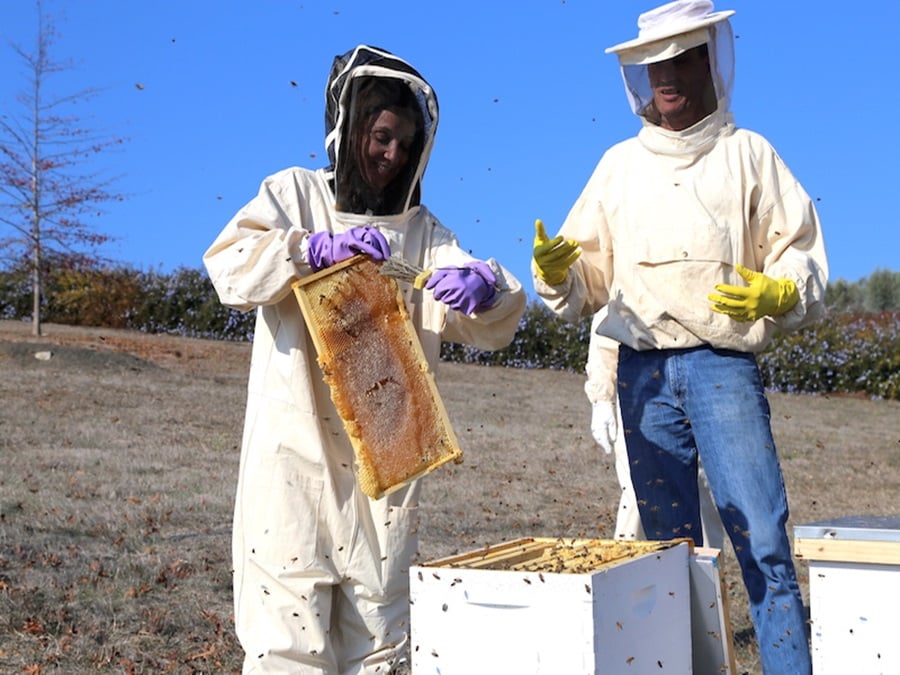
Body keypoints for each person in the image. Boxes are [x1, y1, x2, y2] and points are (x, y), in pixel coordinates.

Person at [204, 45, 526, 674]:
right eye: (381, 137)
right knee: (284, 647)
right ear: (348, 128)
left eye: (406, 144)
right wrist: (309, 250)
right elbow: (229, 269)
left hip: (389, 462)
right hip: (292, 461)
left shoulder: (423, 232)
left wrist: (489, 285)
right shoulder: (293, 196)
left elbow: (490, 321)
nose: (392, 155)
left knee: (379, 646)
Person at [532, 2, 827, 673]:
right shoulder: (617, 167)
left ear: (709, 61)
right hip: (642, 373)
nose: (666, 74)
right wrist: (556, 272)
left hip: (724, 366)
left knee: (763, 543)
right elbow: (585, 279)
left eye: (681, 57)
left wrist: (783, 286)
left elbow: (798, 251)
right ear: (639, 73)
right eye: (654, 62)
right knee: (666, 553)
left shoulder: (748, 154)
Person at [585, 309, 724, 547]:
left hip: (703, 381)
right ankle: (631, 579)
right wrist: (602, 398)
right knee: (639, 490)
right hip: (640, 391)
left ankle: (704, 580)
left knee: (701, 490)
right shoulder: (626, 276)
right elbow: (606, 327)